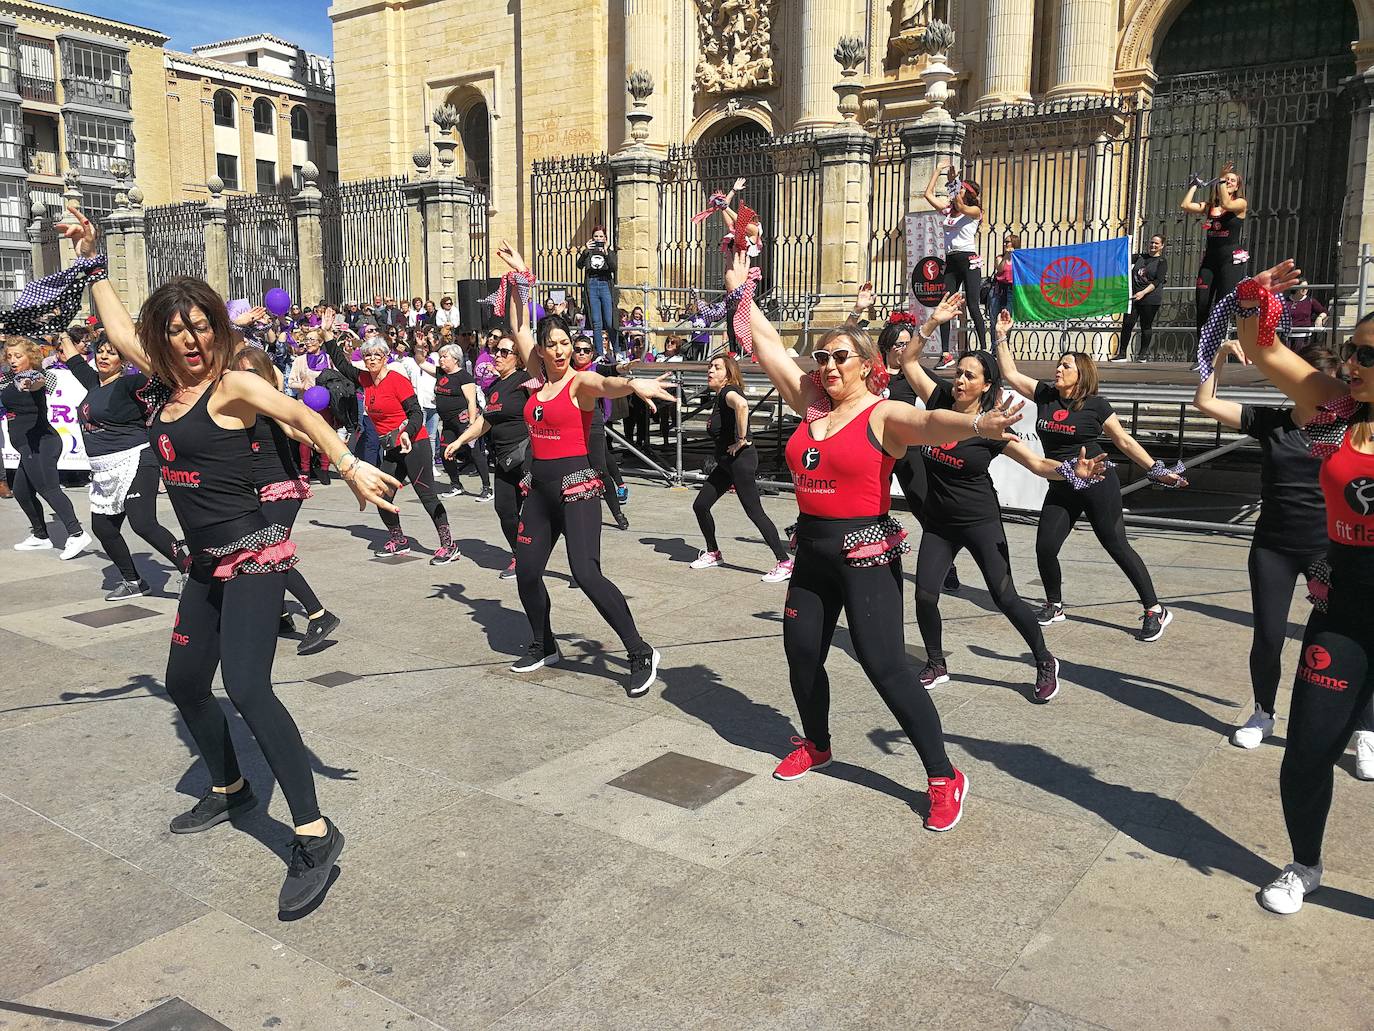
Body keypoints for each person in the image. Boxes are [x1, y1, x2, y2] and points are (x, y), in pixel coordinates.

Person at [62, 205, 400, 913]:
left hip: (254, 557)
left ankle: (313, 831)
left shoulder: (232, 386)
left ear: (217, 328)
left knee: (247, 687)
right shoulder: (160, 382)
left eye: (202, 328)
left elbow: (299, 414)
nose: (191, 341)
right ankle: (232, 788)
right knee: (185, 683)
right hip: (204, 565)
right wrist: (93, 258)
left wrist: (347, 464)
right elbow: (120, 329)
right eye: (179, 332)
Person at [725, 251, 1059, 830]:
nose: (828, 366)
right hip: (813, 554)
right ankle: (817, 742)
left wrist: (979, 425)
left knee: (885, 665)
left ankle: (943, 776)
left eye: (839, 358)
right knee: (802, 654)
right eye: (823, 358)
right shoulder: (809, 406)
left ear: (867, 365)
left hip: (865, 555)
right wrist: (741, 281)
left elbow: (933, 425)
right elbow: (770, 347)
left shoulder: (883, 414)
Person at [1222, 261, 1374, 914]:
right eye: (1351, 350)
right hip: (1343, 616)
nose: (1352, 362)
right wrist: (1255, 296)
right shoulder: (1335, 411)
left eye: (1367, 353)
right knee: (1305, 757)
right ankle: (1305, 864)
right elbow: (1264, 348)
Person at [903, 295, 1109, 702]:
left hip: (980, 521)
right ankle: (936, 662)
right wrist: (932, 322)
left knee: (1004, 595)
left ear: (986, 385)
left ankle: (1044, 659)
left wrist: (1072, 471)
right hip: (939, 523)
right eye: (958, 373)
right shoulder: (940, 401)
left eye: (969, 376)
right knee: (925, 593)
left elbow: (1036, 464)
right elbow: (909, 362)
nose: (959, 380)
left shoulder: (993, 427)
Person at [495, 241, 674, 697]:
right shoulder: (536, 378)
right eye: (551, 344)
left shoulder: (580, 384)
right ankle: (544, 643)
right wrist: (520, 279)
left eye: (564, 345)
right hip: (538, 489)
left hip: (576, 485)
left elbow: (607, 382)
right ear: (540, 349)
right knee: (527, 571)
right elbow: (518, 325)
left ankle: (639, 651)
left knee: (585, 572)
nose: (559, 351)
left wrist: (634, 383)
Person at [1191, 338, 1369, 756]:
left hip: (1329, 550)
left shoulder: (1351, 428)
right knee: (1269, 637)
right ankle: (1264, 713)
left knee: (1353, 636)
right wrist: (1217, 357)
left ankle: (1366, 729)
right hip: (1273, 546)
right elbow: (1204, 401)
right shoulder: (1270, 421)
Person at [995, 310, 1182, 641]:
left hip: (1097, 481)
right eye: (1059, 364)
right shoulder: (1045, 395)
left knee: (1116, 544)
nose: (1058, 368)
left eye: (1066, 365)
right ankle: (1055, 604)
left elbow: (1123, 440)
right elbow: (1009, 372)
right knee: (1045, 546)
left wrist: (1155, 469)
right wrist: (1001, 335)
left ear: (1081, 374)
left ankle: (1155, 609)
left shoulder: (1096, 404)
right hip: (1063, 480)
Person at [60, 334, 186, 599]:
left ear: (124, 359)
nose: (104, 357)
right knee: (103, 528)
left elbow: (165, 376)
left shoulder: (132, 383)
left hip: (136, 459)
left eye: (113, 353)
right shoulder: (94, 383)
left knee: (143, 523)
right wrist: (62, 333)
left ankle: (190, 570)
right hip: (104, 468)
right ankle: (133, 581)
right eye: (101, 351)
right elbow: (73, 360)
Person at [233, 347, 341, 655]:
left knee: (271, 553)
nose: (246, 377)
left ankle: (319, 615)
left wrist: (331, 448)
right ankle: (279, 616)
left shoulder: (270, 403)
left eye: (252, 372)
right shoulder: (239, 404)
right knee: (262, 553)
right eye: (241, 372)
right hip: (258, 488)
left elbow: (295, 429)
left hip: (282, 486)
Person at [322, 333, 458, 563]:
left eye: (377, 355)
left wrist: (407, 433)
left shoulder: (397, 380)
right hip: (392, 448)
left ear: (385, 357)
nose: (372, 359)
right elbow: (343, 365)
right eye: (367, 355)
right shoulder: (365, 379)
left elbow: (416, 412)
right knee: (380, 495)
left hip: (414, 444)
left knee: (427, 495)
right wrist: (327, 335)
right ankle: (399, 539)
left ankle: (449, 545)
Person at [688, 353, 792, 581]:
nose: (710, 371)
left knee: (754, 512)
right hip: (726, 463)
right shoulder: (719, 396)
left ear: (728, 373)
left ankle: (784, 562)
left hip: (740, 461)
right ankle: (713, 552)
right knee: (701, 505)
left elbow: (742, 405)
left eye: (716, 367)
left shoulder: (728, 391)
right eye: (709, 367)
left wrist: (742, 438)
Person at [444, 336, 532, 579]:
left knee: (546, 512)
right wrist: (460, 441)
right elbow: (485, 420)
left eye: (505, 352)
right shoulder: (494, 387)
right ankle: (520, 556)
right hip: (504, 461)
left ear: (519, 358)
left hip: (527, 457)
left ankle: (581, 563)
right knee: (505, 510)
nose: (497, 355)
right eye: (496, 351)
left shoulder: (526, 381)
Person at [2, 336, 91, 559]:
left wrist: (28, 383)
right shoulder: (7, 379)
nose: (13, 360)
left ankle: (76, 533)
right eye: (10, 356)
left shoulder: (39, 375)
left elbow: (39, 382)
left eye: (18, 356)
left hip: (42, 443)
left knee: (49, 489)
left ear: (30, 356)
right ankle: (41, 536)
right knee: (22, 491)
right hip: (26, 447)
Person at [923, 162, 987, 352]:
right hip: (951, 259)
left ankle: (984, 348)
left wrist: (953, 181)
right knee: (945, 304)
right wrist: (937, 171)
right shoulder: (949, 212)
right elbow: (928, 195)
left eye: (960, 189)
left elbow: (960, 203)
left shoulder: (975, 212)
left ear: (967, 193)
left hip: (968, 259)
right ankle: (945, 352)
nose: (956, 192)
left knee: (973, 305)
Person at [1181, 163, 1247, 338]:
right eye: (1228, 180)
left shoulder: (1240, 204)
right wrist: (1194, 186)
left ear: (1238, 186)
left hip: (1229, 262)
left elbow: (1226, 202)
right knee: (1202, 304)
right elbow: (1185, 205)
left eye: (1233, 181)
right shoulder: (1210, 206)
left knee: (1221, 306)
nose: (1229, 182)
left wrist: (1221, 179)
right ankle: (1200, 351)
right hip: (1210, 260)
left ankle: (1214, 348)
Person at [570, 339, 629, 530]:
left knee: (600, 469)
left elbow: (611, 370)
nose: (581, 353)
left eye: (585, 350)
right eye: (577, 349)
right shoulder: (566, 370)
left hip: (592, 422)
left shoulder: (595, 369)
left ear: (591, 353)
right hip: (570, 423)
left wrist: (623, 368)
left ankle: (617, 513)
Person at [432, 343, 492, 501]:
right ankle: (456, 484)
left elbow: (471, 401)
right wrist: (419, 346)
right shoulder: (440, 373)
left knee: (475, 453)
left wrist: (472, 424)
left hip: (463, 419)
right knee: (446, 452)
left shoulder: (464, 376)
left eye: (445, 356)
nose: (441, 360)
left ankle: (487, 487)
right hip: (448, 422)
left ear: (455, 359)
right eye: (440, 356)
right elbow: (421, 362)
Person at [1113, 233, 1169, 362]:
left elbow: (1158, 281)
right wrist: (1124, 243)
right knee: (1127, 324)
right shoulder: (1140, 257)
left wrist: (1143, 293)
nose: (1153, 245)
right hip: (1133, 297)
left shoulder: (1162, 262)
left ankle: (1142, 355)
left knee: (1146, 326)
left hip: (1150, 298)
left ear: (1162, 246)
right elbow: (1122, 258)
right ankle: (1122, 354)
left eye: (1156, 243)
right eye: (1151, 242)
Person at [576, 225, 617, 357]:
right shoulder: (589, 252)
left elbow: (614, 267)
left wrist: (606, 252)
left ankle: (618, 351)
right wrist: (585, 250)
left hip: (605, 284)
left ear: (605, 238)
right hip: (592, 285)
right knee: (596, 322)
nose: (598, 239)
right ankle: (599, 354)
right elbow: (579, 265)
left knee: (610, 322)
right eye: (596, 236)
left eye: (601, 236)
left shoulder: (608, 251)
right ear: (592, 238)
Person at [987, 232, 1018, 330]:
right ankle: (993, 344)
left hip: (1011, 290)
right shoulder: (1000, 257)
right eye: (1004, 242)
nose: (1005, 244)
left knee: (1007, 319)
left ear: (1014, 243)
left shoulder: (1018, 259)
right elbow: (999, 269)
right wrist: (1006, 256)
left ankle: (1005, 343)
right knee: (994, 319)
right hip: (998, 289)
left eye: (1007, 242)